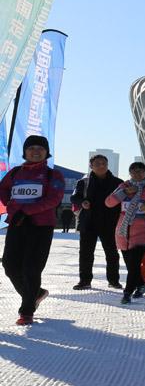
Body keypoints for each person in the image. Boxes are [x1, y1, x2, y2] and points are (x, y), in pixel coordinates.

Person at [0, 136, 65, 325]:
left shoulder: (54, 175)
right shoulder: (15, 173)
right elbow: (2, 190)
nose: (35, 151)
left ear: (46, 152)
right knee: (10, 265)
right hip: (17, 224)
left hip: (41, 226)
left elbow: (54, 199)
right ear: (25, 151)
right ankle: (36, 294)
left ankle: (27, 310)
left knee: (31, 268)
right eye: (31, 148)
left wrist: (26, 211)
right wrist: (12, 208)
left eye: (40, 148)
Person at [105, 162, 145, 304]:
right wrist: (124, 193)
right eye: (134, 171)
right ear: (130, 173)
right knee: (131, 265)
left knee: (135, 263)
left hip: (143, 232)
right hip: (124, 232)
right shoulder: (124, 186)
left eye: (140, 171)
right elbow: (109, 203)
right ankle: (141, 285)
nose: (137, 174)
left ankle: (127, 293)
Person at [71, 154, 122, 289]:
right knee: (86, 253)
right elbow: (74, 198)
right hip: (88, 222)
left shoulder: (118, 183)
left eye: (104, 163)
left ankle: (114, 280)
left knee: (112, 253)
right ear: (91, 166)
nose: (101, 166)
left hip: (110, 223)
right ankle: (85, 280)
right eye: (97, 164)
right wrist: (83, 202)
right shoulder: (83, 182)